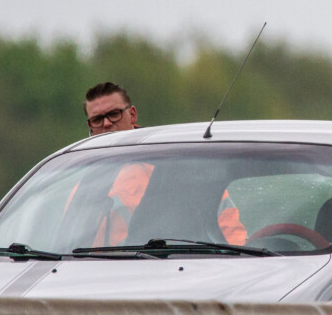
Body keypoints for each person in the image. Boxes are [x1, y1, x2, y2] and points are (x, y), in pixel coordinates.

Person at [82, 82, 247, 246]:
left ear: (132, 115)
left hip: (172, 264)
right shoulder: (80, 179)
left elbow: (232, 238)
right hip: (91, 267)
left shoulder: (178, 165)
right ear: (90, 125)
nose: (106, 124)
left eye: (114, 114)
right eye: (97, 119)